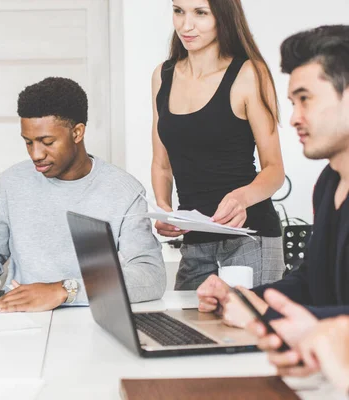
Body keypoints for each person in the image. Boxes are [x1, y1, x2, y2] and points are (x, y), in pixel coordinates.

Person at [0, 77, 166, 312]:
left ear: (77, 133)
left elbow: (150, 275)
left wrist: (64, 290)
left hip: (89, 318)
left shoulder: (124, 191)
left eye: (47, 142)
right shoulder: (12, 182)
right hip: (19, 318)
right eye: (28, 142)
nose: (36, 154)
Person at [206, 24, 349, 386]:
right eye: (292, 103)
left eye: (306, 99)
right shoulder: (329, 184)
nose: (295, 118)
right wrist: (246, 299)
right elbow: (312, 281)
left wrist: (281, 318)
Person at [151, 0, 285, 290]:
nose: (186, 25)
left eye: (200, 13)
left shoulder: (250, 74)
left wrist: (243, 198)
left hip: (249, 237)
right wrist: (164, 209)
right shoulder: (163, 76)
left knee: (247, 332)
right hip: (195, 242)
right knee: (187, 332)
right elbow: (162, 164)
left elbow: (274, 170)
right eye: (178, 11)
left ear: (222, 16)